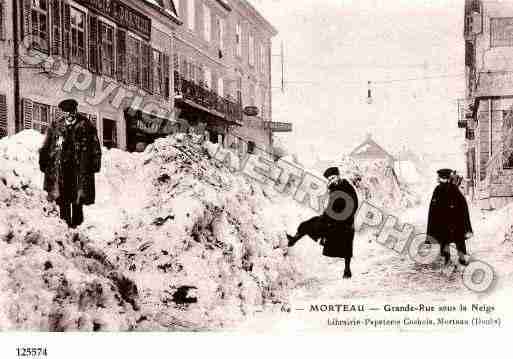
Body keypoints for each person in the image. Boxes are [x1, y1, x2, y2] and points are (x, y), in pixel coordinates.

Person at [39, 99, 102, 228]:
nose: (70, 114)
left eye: (72, 111)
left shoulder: (87, 125)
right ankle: (65, 225)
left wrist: (95, 164)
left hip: (79, 168)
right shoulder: (56, 125)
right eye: (67, 112)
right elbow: (46, 145)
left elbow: (95, 146)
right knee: (62, 198)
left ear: (76, 111)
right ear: (63, 112)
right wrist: (43, 161)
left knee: (78, 198)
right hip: (61, 168)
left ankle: (77, 226)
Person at [287, 167, 359, 279]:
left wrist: (330, 218)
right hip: (341, 222)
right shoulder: (339, 187)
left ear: (338, 176)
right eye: (330, 178)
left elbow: (350, 204)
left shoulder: (342, 188)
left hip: (341, 223)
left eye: (333, 177)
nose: (332, 180)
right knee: (309, 224)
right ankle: (294, 240)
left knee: (346, 245)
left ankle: (347, 269)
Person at [427, 168, 473, 266]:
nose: (437, 178)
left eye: (438, 177)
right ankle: (459, 259)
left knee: (447, 241)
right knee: (455, 240)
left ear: (442, 178)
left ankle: (449, 259)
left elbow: (433, 207)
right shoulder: (452, 189)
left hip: (447, 222)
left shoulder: (441, 189)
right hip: (452, 222)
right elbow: (463, 205)